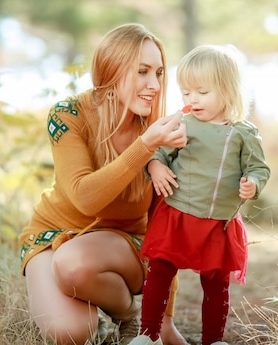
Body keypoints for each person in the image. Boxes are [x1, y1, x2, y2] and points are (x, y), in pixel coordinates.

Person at [18, 23, 192, 345]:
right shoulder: (68, 115)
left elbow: (162, 227)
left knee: (73, 262)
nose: (153, 84)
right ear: (112, 70)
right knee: (70, 333)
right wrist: (144, 148)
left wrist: (164, 321)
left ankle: (128, 314)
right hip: (53, 233)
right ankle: (99, 311)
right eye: (142, 72)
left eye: (158, 73)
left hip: (124, 247)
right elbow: (85, 197)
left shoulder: (162, 133)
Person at [127, 45, 271, 345]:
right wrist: (155, 168)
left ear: (227, 90)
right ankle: (149, 334)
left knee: (216, 285)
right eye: (186, 93)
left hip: (218, 221)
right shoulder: (182, 124)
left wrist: (253, 184)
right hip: (177, 214)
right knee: (159, 272)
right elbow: (159, 155)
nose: (192, 100)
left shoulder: (243, 133)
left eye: (201, 92)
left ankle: (213, 340)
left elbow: (259, 169)